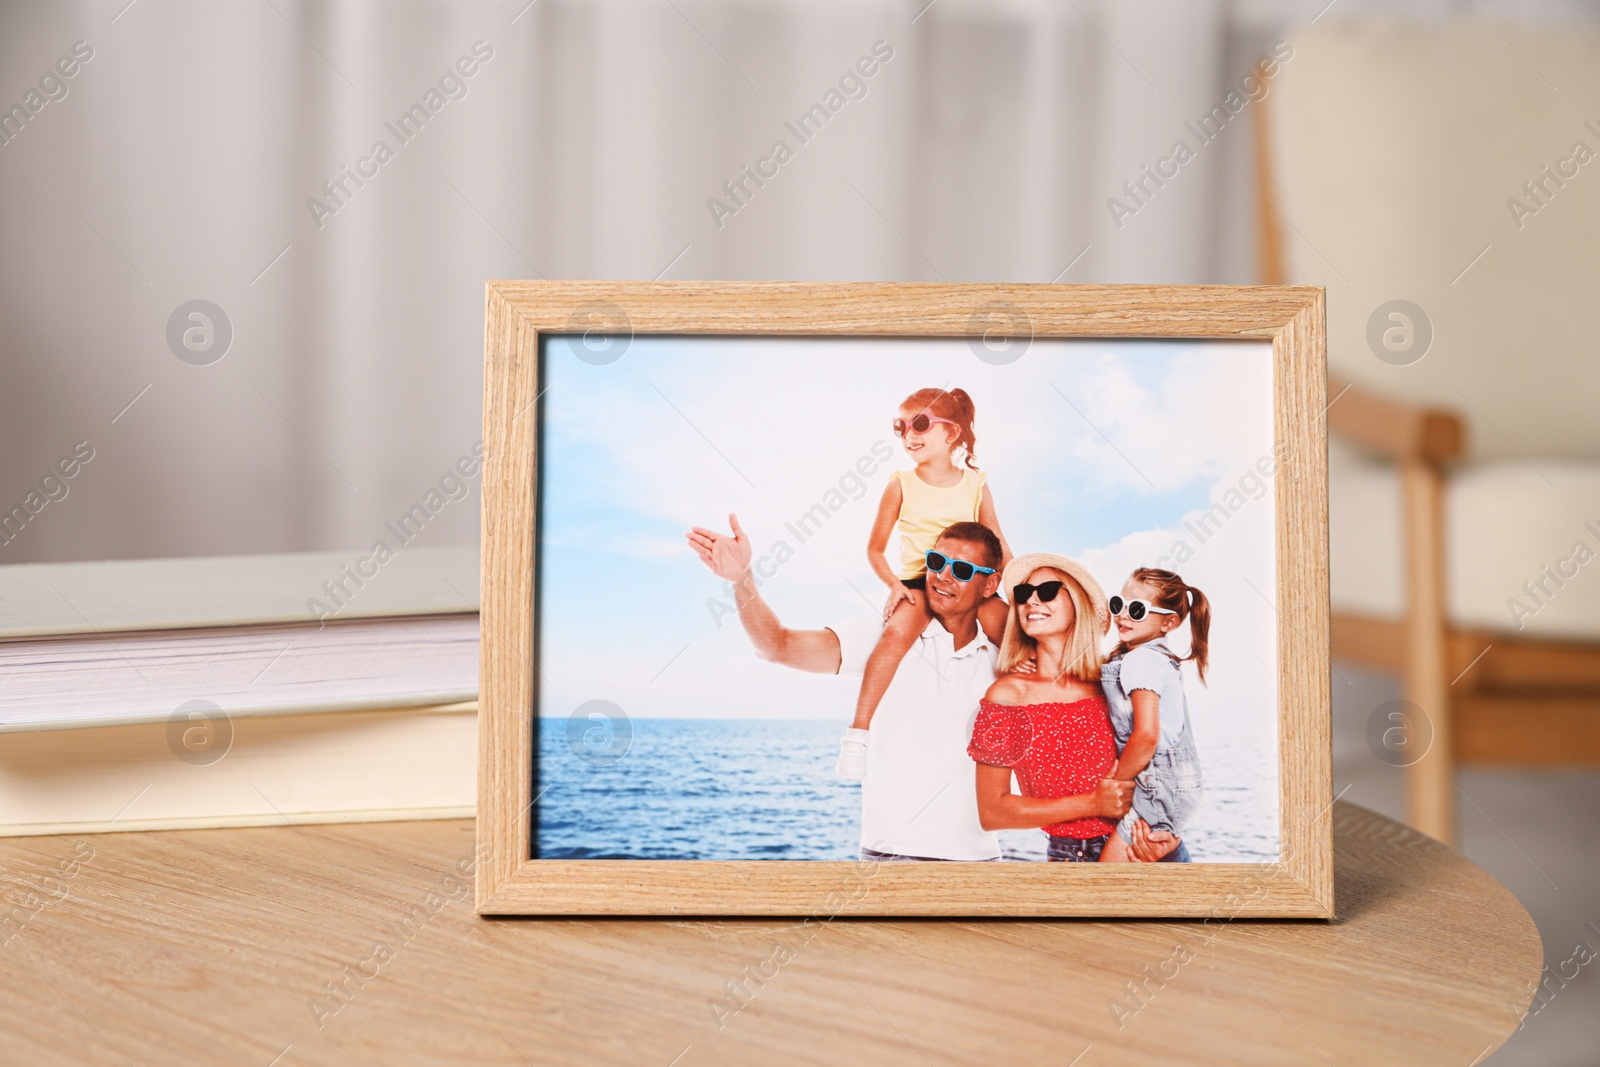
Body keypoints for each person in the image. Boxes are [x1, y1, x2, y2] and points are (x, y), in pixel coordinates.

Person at [684, 515, 1126, 861]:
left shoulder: (1011, 661)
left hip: (980, 863)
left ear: (990, 584)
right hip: (887, 859)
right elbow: (777, 647)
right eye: (935, 563)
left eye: (961, 569)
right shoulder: (880, 638)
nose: (942, 576)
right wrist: (742, 579)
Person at [837, 387, 1013, 780]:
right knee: (892, 640)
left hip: (970, 580)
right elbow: (875, 549)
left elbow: (998, 540)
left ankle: (1027, 720)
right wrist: (894, 586)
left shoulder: (976, 483)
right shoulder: (900, 482)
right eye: (900, 427)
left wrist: (1016, 590)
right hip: (920, 580)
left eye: (919, 424)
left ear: (952, 433)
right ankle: (858, 733)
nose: (908, 435)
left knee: (1014, 636)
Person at [969, 553, 1186, 862]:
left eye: (1047, 592)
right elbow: (993, 812)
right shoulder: (1007, 696)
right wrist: (1091, 804)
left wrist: (1169, 831)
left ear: (1078, 605)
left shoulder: (1114, 678)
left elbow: (1164, 755)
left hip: (1154, 844)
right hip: (1077, 858)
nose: (1031, 600)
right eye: (1023, 594)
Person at [1097, 568, 1208, 863]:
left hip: (1157, 787)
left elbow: (1146, 736)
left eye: (1137, 610)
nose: (1122, 616)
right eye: (1118, 604)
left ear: (1169, 622)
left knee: (1103, 880)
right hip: (1176, 786)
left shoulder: (1140, 660)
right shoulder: (1157, 657)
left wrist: (1116, 785)